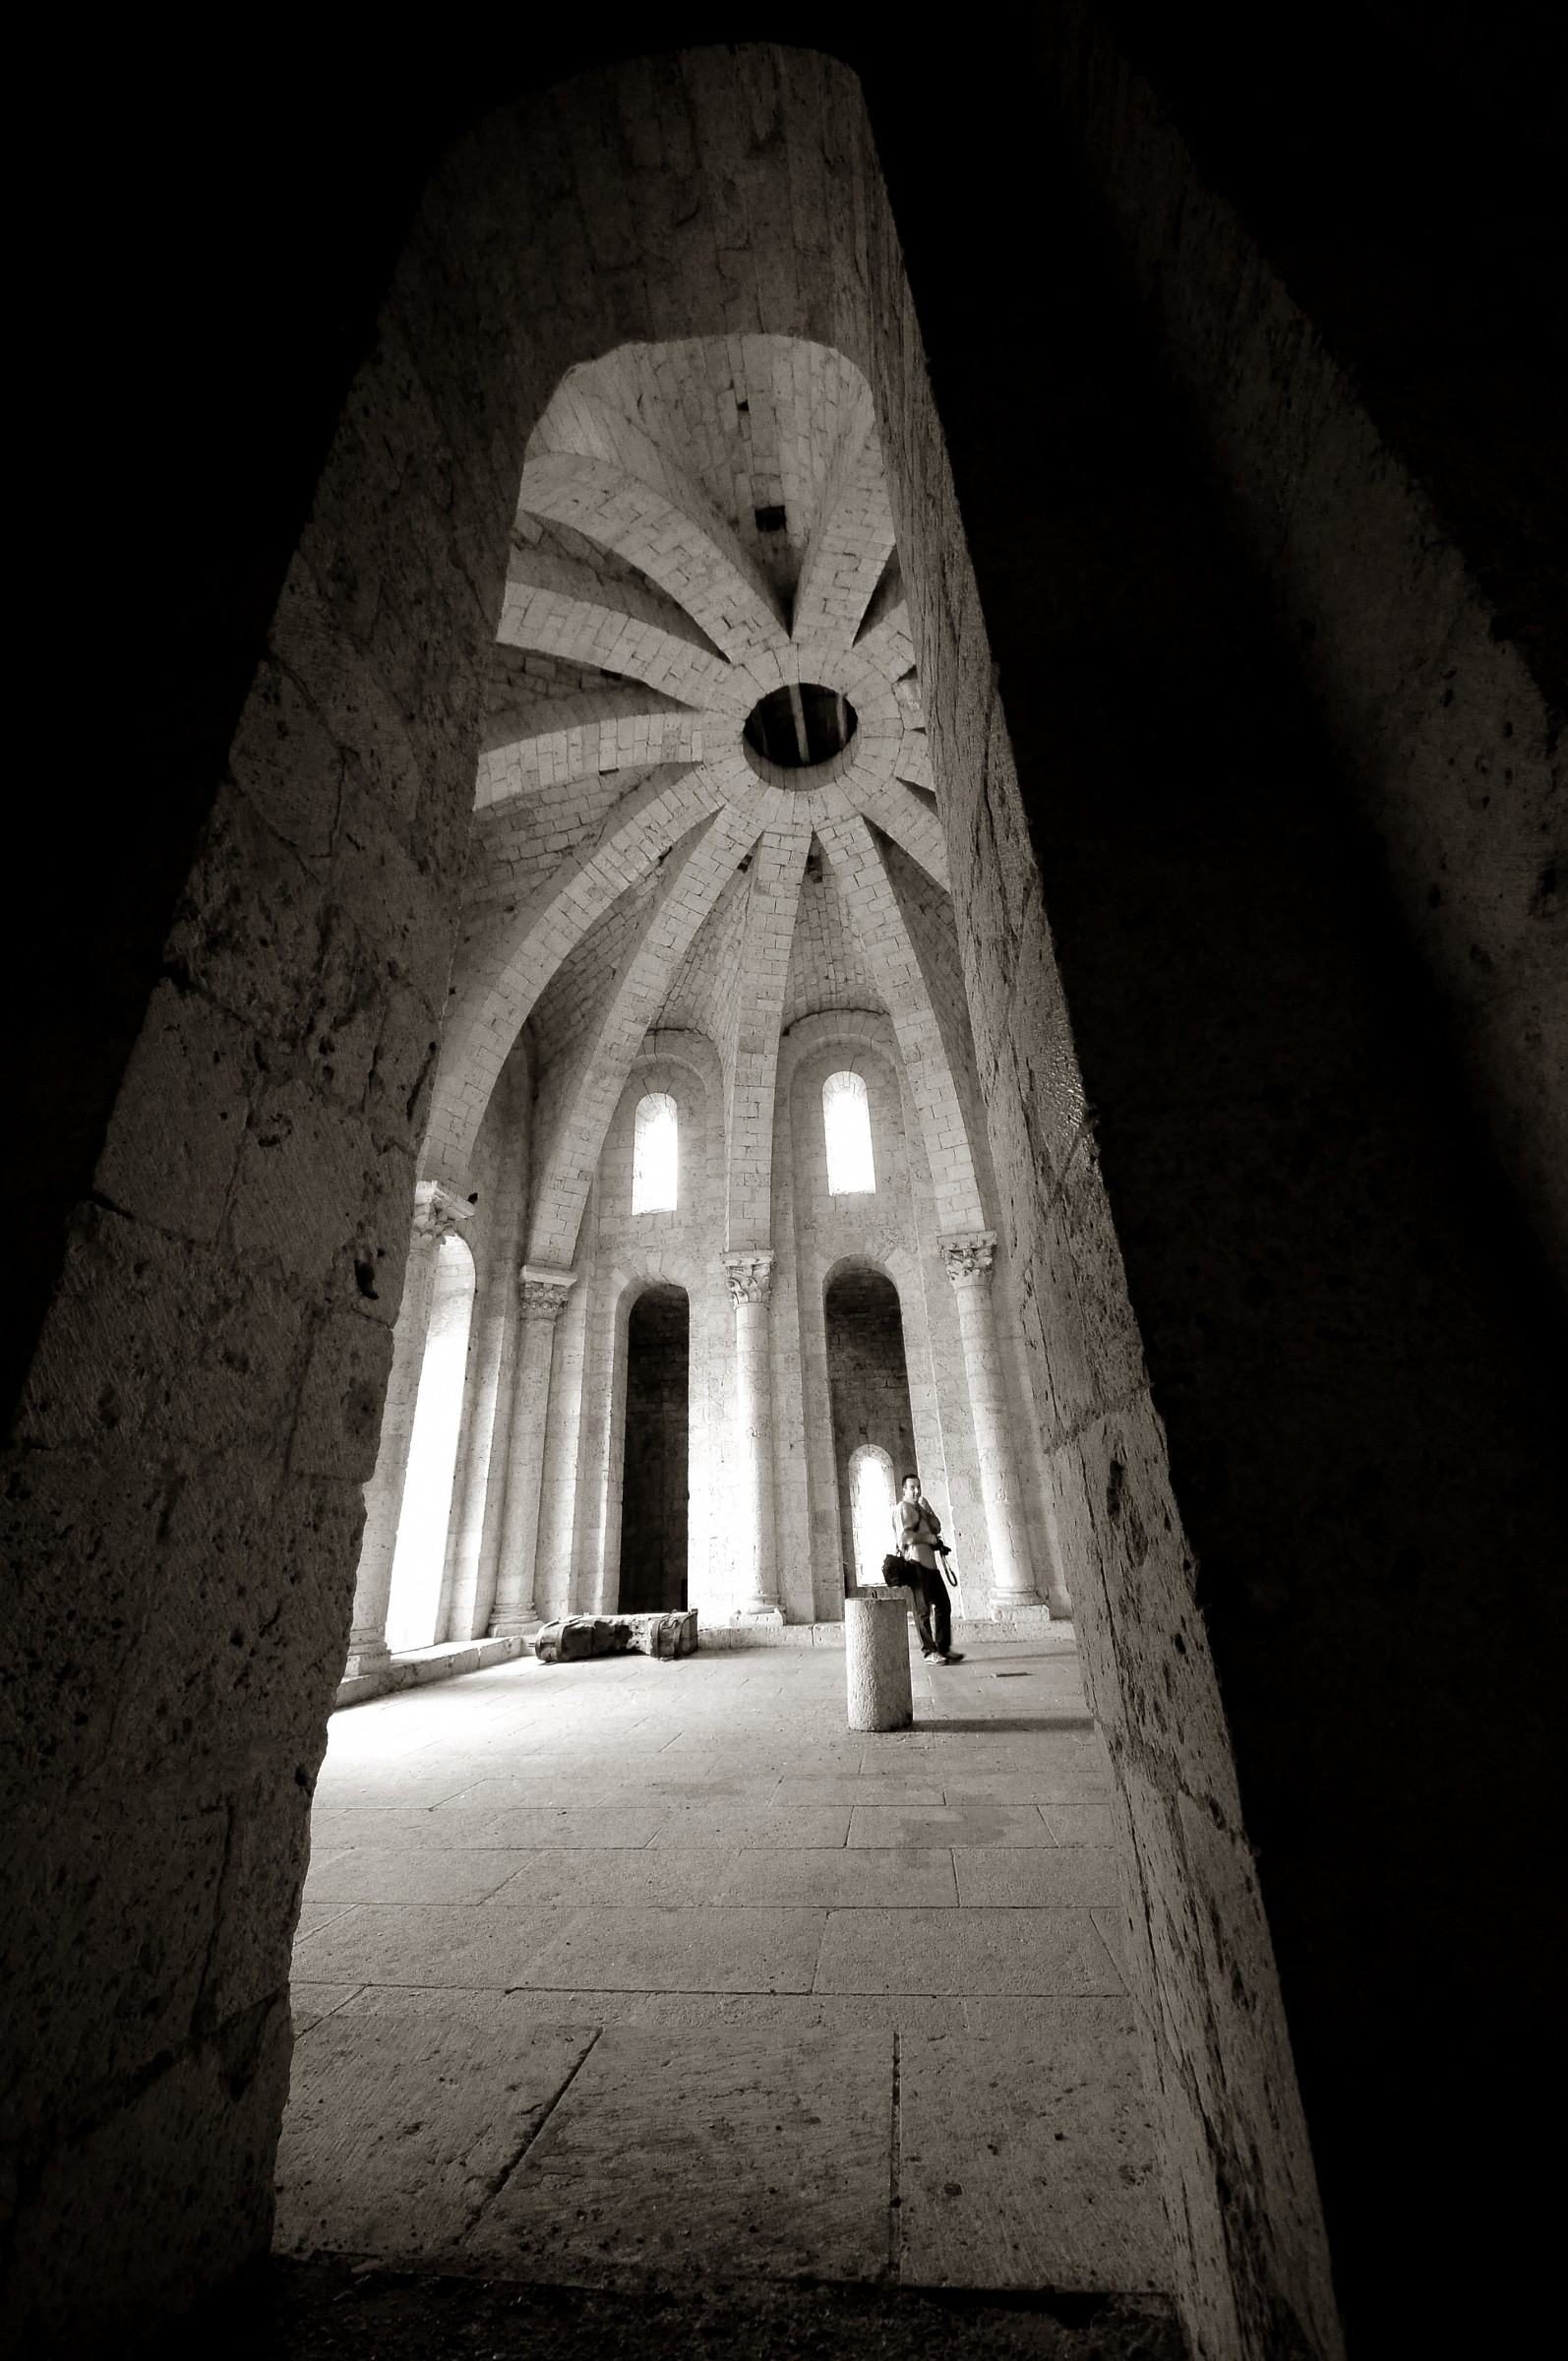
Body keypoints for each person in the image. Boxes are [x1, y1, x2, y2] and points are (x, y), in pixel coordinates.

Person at [892, 1473, 963, 1664]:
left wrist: (929, 1510)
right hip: (915, 1562)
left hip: (931, 1564)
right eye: (912, 1487)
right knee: (922, 1610)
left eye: (918, 1487)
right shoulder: (902, 1509)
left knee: (943, 1604)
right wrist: (927, 1539)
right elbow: (904, 1537)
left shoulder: (921, 1508)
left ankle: (943, 1648)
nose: (916, 1491)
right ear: (904, 1490)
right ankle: (929, 1652)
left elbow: (937, 1527)